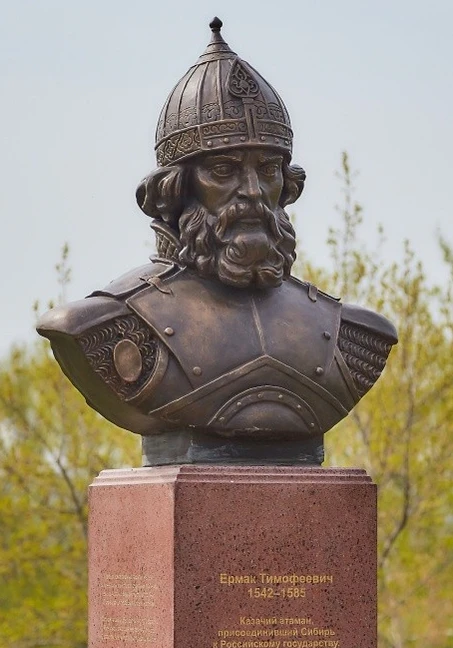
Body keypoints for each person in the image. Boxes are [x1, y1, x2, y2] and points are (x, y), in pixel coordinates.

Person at [37, 19, 397, 465]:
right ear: (176, 188)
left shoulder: (351, 336)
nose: (253, 191)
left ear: (286, 183)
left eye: (268, 170)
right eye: (223, 171)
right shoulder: (107, 324)